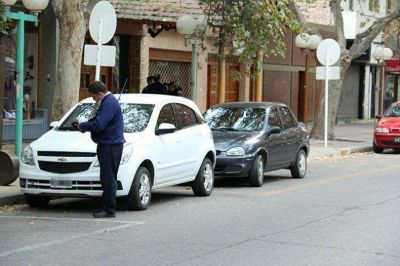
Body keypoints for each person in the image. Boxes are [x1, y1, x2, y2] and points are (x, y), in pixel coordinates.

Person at [76, 81, 125, 218]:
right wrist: (85, 126)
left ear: (100, 93)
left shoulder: (108, 103)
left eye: (94, 97)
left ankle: (109, 209)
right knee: (106, 177)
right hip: (108, 144)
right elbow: (99, 121)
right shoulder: (108, 102)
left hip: (110, 145)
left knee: (108, 178)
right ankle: (105, 205)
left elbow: (100, 124)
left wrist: (83, 126)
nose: (94, 100)